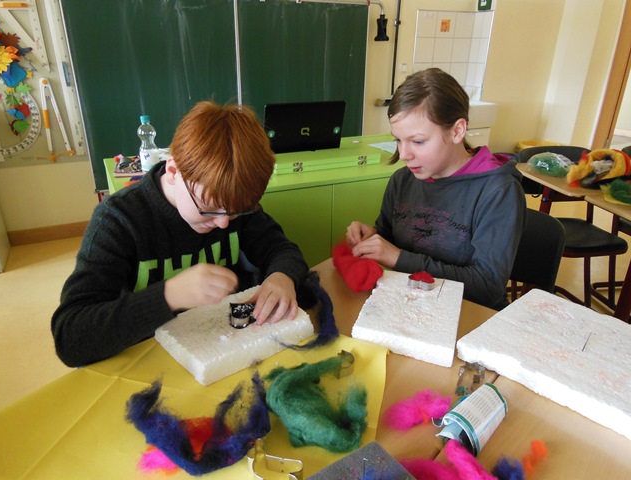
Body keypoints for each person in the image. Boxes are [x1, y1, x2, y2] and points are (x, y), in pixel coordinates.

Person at [52, 101, 308, 367]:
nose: (223, 223)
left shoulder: (232, 203)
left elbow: (282, 250)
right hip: (146, 359)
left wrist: (283, 276)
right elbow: (70, 337)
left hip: (214, 352)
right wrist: (168, 296)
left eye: (235, 213)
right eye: (208, 208)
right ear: (174, 171)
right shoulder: (117, 220)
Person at [346, 68, 525, 310]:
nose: (404, 154)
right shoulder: (403, 180)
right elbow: (391, 238)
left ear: (457, 131)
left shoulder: (498, 191)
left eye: (418, 141)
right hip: (412, 303)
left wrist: (399, 259)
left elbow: (487, 287)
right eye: (398, 140)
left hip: (469, 313)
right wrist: (373, 238)